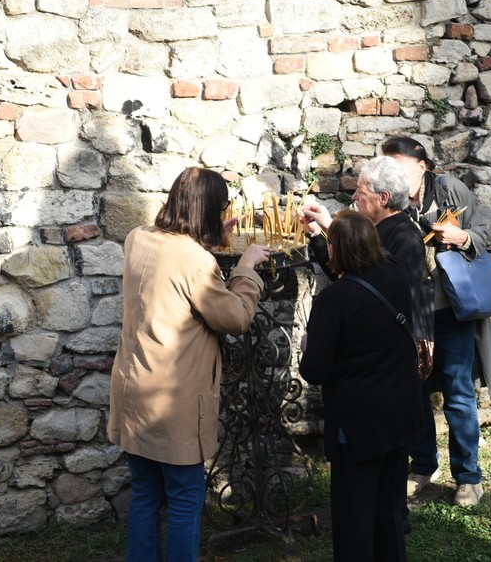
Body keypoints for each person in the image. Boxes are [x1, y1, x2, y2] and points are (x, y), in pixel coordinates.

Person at [107, 167, 270, 562]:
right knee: (184, 498)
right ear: (209, 209)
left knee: (146, 493)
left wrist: (206, 241)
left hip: (133, 390)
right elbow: (235, 318)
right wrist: (246, 268)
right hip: (172, 402)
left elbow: (173, 277)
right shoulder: (196, 261)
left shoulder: (138, 238)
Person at [382, 135, 491, 507]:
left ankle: (468, 477)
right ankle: (423, 466)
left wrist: (461, 236)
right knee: (414, 392)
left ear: (422, 166)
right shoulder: (388, 197)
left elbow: (485, 231)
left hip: (451, 308)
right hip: (410, 312)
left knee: (458, 393)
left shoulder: (449, 189)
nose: (394, 174)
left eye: (400, 166)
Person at [299, 210, 422, 562]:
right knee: (388, 511)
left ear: (336, 250)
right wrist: (334, 229)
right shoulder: (395, 273)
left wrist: (308, 346)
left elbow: (314, 370)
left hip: (358, 426)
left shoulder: (334, 301)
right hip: (399, 413)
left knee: (354, 518)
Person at [301, 156, 433, 364]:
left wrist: (334, 227)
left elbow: (398, 294)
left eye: (361, 192)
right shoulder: (374, 229)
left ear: (383, 198)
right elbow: (344, 274)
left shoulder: (405, 235)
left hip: (388, 351)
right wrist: (317, 234)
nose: (354, 197)